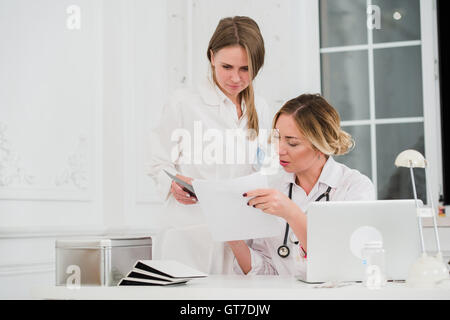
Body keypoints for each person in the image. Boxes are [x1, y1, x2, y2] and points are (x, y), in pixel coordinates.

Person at [148, 16, 272, 274]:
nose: (235, 78)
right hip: (190, 237)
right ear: (212, 56)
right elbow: (158, 162)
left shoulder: (262, 109)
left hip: (241, 238)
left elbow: (267, 170)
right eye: (227, 66)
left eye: (245, 69)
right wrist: (172, 184)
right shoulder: (183, 103)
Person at [228, 93, 376, 277]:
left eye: (292, 143)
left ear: (320, 144)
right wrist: (231, 237)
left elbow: (341, 262)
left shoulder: (354, 188)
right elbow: (265, 272)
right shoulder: (273, 188)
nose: (279, 149)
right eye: (277, 138)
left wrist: (291, 213)